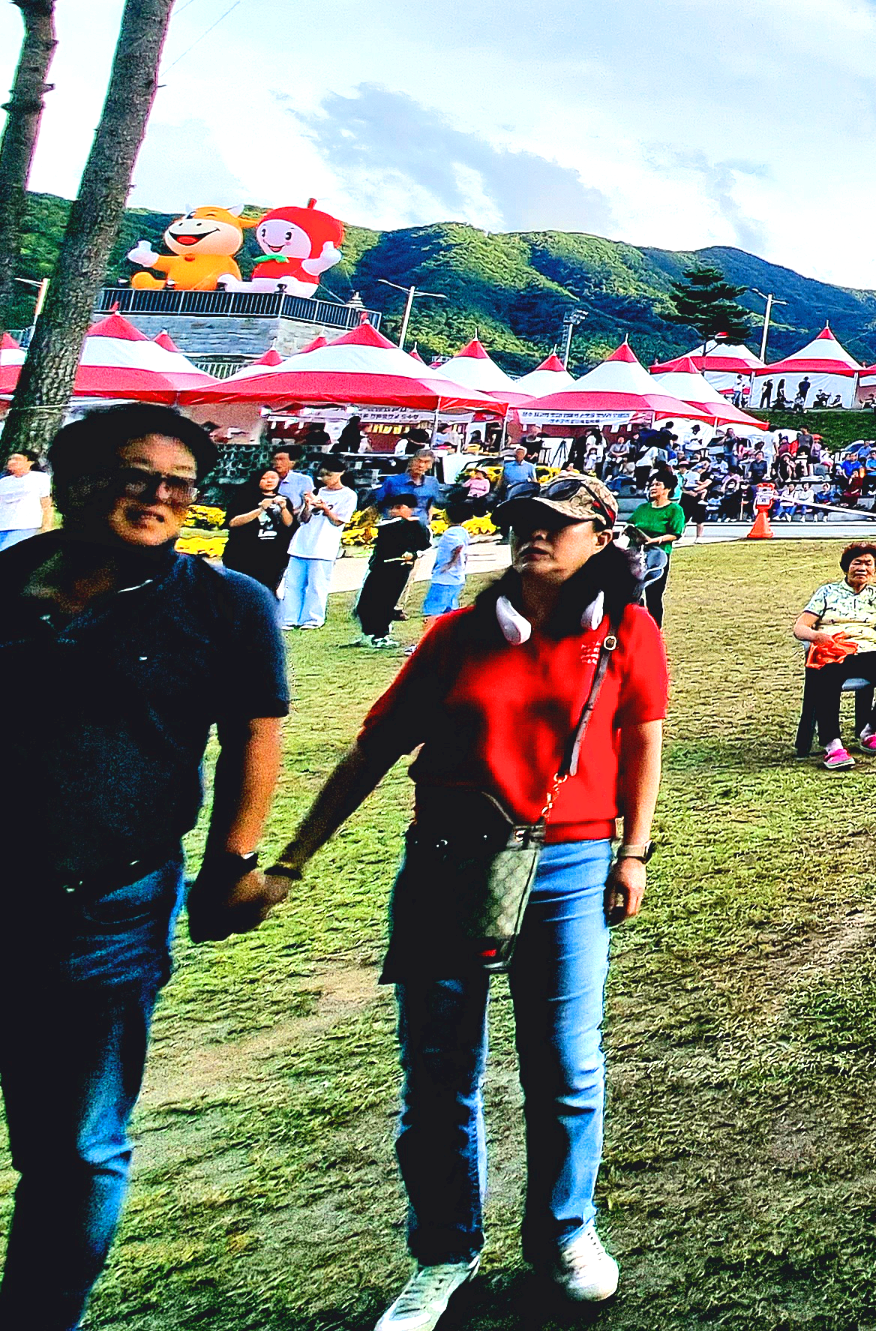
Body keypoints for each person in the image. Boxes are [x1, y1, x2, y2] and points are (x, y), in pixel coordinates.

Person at [251, 469, 666, 1324]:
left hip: (570, 866)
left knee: (566, 1066)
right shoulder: (458, 634)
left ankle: (564, 1232)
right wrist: (292, 859)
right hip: (448, 862)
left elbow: (641, 742)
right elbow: (373, 750)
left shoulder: (626, 631)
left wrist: (634, 850)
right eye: (522, 522)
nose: (533, 534)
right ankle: (443, 1251)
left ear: (600, 538)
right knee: (438, 1071)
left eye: (556, 523)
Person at [0, 405, 287, 1331]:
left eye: (180, 485)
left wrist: (233, 862)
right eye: (137, 476)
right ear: (75, 482)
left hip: (108, 903)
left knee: (75, 1142)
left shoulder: (225, 603)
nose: (160, 497)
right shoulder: (8, 579)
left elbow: (254, 735)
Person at [795, 543, 876, 769]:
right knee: (827, 679)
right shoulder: (827, 592)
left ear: (875, 570)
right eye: (857, 563)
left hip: (865, 652)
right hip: (833, 651)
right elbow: (800, 627)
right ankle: (833, 745)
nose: (862, 568)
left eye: (868, 564)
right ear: (847, 567)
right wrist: (816, 636)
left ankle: (870, 731)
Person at [357, 492, 433, 652]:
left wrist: (413, 554)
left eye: (399, 507)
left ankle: (381, 635)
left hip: (398, 569)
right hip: (379, 567)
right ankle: (367, 633)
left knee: (386, 602)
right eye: (393, 508)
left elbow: (426, 547)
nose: (394, 511)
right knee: (367, 601)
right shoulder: (386, 526)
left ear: (410, 509)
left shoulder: (417, 526)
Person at [285, 464, 356, 630]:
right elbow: (303, 519)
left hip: (323, 546)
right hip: (302, 543)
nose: (325, 479)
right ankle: (289, 618)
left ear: (340, 473)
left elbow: (338, 521)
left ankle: (313, 618)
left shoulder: (348, 495)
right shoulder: (318, 491)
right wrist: (307, 504)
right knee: (293, 584)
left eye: (328, 474)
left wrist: (325, 508)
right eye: (322, 475)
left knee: (317, 585)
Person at [222, 461, 297, 602]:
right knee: (240, 590)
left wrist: (283, 508)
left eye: (273, 478)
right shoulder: (244, 497)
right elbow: (233, 522)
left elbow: (289, 524)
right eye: (265, 478)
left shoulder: (283, 499)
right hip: (245, 553)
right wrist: (260, 509)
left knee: (267, 591)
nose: (269, 481)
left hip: (274, 554)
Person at [624, 476, 683, 627]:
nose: (653, 487)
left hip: (658, 555)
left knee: (654, 595)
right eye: (651, 485)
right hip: (636, 553)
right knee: (631, 593)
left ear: (667, 489)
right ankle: (635, 626)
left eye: (657, 484)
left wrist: (655, 540)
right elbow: (630, 524)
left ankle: (655, 629)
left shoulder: (674, 510)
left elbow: (675, 534)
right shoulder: (642, 508)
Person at [419, 518, 476, 621]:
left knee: (433, 610)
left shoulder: (450, 533)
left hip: (444, 579)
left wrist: (450, 564)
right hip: (456, 578)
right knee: (450, 611)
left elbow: (458, 546)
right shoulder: (463, 531)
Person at [0, 446, 51, 550]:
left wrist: (46, 525)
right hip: (3, 526)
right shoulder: (3, 482)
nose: (12, 462)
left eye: (17, 459)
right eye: (10, 459)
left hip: (26, 526)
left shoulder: (40, 478)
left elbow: (46, 503)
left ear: (30, 463)